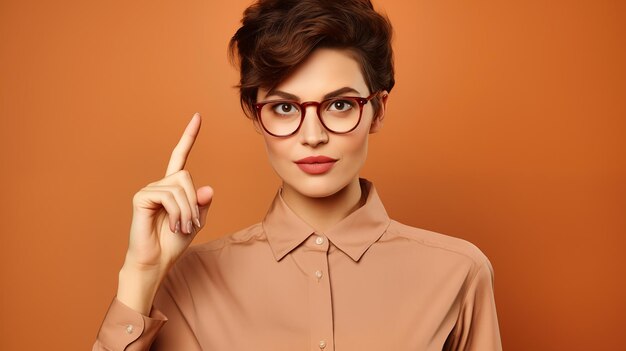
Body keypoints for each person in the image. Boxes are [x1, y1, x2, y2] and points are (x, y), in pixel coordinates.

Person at [93, 0, 502, 350]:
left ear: (378, 109)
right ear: (256, 114)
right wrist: (140, 275)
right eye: (285, 107)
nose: (313, 136)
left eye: (340, 105)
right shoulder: (185, 280)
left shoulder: (458, 273)